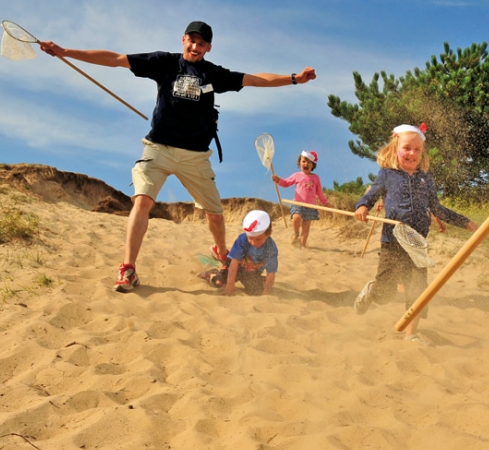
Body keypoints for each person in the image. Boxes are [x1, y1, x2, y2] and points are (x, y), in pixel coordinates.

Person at [39, 21, 316, 292]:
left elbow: (254, 79)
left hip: (195, 157)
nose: (195, 46)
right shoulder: (164, 62)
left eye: (201, 43)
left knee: (215, 216)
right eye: (191, 40)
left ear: (208, 47)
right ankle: (128, 268)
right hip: (158, 149)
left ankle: (221, 253)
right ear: (183, 39)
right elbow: (115, 59)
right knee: (142, 201)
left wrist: (294, 78)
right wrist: (64, 51)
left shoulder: (212, 74)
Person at [352, 124, 478, 342]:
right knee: (385, 293)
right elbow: (371, 195)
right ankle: (372, 289)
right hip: (392, 242)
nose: (412, 153)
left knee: (418, 291)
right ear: (395, 149)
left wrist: (465, 223)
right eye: (407, 148)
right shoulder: (387, 175)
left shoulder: (426, 179)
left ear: (422, 153)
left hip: (417, 244)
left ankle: (411, 334)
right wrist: (362, 206)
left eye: (417, 149)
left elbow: (437, 208)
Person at [206, 210, 278, 296]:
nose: (254, 242)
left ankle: (260, 279)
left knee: (255, 291)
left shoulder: (271, 248)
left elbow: (271, 272)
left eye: (258, 239)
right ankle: (212, 273)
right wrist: (230, 284)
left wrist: (267, 291)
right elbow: (234, 262)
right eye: (250, 238)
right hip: (234, 266)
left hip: (251, 272)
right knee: (218, 283)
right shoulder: (242, 239)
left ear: (269, 233)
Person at [273, 150, 328, 248]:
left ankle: (302, 245)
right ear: (299, 163)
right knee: (296, 218)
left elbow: (319, 193)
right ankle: (296, 233)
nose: (306, 164)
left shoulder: (315, 178)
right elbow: (286, 183)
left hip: (310, 206)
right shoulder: (296, 175)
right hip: (298, 204)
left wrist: (325, 203)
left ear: (312, 165)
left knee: (306, 227)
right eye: (303, 161)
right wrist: (278, 180)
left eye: (309, 162)